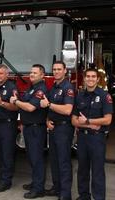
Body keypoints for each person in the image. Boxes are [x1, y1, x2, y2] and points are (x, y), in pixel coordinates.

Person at [72, 68, 113, 200]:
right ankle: (84, 196)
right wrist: (90, 124)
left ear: (97, 79)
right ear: (84, 78)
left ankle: (99, 197)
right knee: (82, 170)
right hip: (82, 138)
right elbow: (74, 120)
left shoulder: (104, 96)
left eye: (93, 76)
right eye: (88, 76)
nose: (90, 79)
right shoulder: (79, 96)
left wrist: (87, 121)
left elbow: (107, 120)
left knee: (97, 171)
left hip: (97, 139)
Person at [10, 64, 48, 199]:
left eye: (35, 73)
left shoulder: (41, 89)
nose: (31, 74)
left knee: (37, 158)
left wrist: (15, 101)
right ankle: (35, 183)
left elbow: (31, 107)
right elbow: (24, 107)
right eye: (31, 72)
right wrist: (22, 123)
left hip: (36, 128)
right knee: (31, 158)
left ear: (42, 75)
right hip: (28, 127)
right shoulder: (31, 88)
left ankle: (39, 189)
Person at [40, 61, 75, 200]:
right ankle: (56, 188)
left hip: (64, 129)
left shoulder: (68, 87)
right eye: (54, 69)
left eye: (59, 69)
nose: (56, 72)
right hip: (54, 128)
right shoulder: (54, 87)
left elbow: (67, 110)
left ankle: (65, 194)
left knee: (64, 161)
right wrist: (47, 120)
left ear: (65, 71)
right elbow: (50, 109)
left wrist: (49, 104)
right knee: (54, 160)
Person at [0, 64, 18, 192]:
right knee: (0, 153)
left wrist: (1, 103)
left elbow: (16, 107)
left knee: (7, 154)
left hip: (8, 125)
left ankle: (6, 181)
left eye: (1, 73)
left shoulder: (11, 88)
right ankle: (2, 177)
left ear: (7, 75)